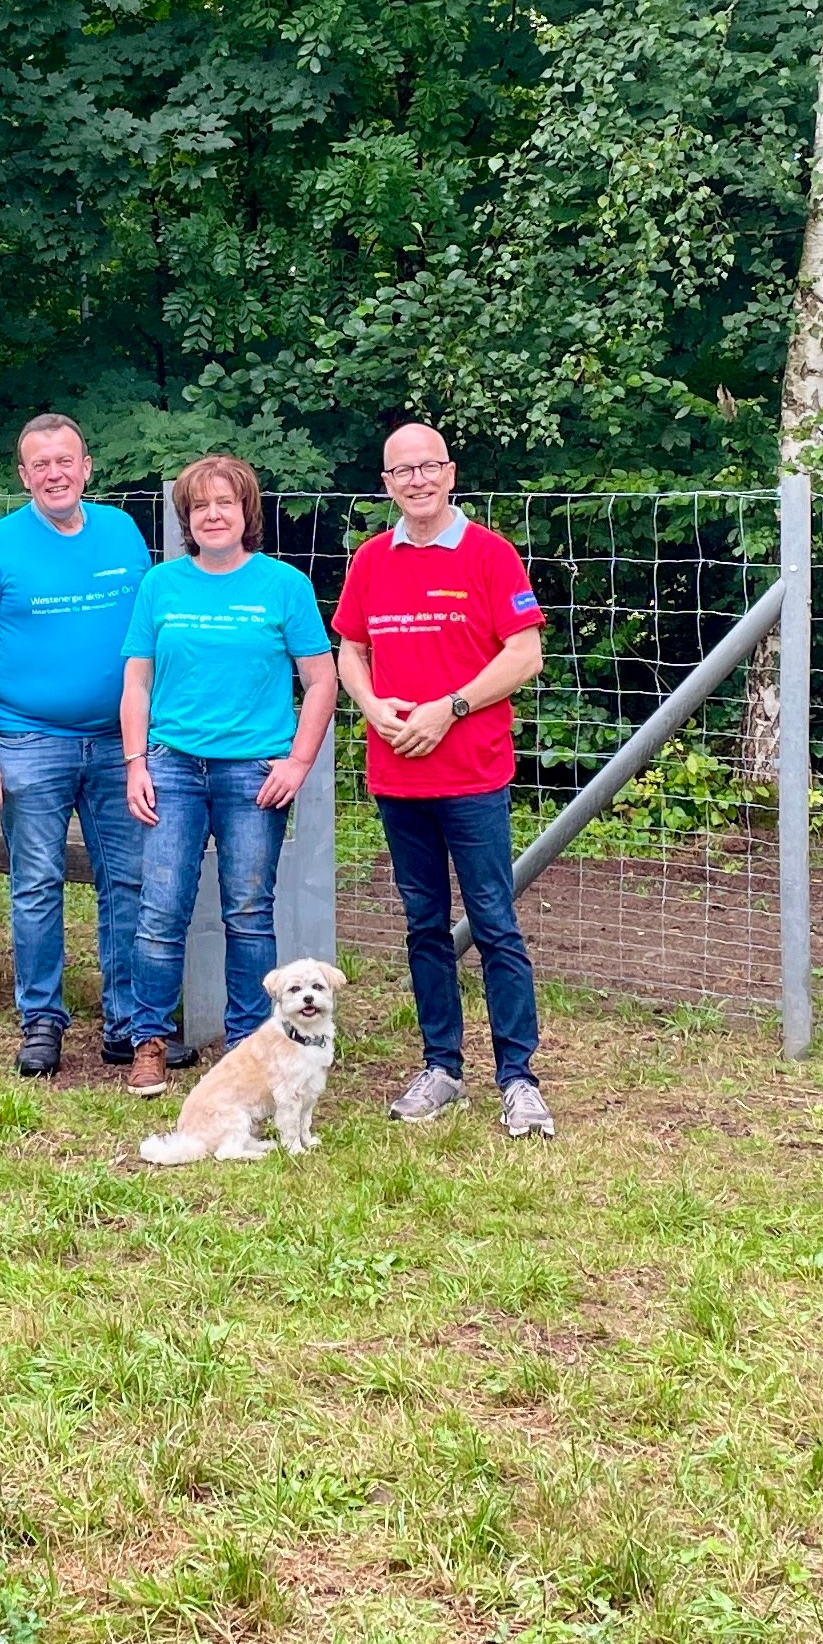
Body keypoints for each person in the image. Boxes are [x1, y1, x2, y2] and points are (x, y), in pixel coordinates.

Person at [331, 423, 555, 1137]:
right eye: (401, 470)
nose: (416, 480)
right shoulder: (371, 560)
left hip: (471, 773)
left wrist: (448, 708)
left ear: (449, 473)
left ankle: (518, 1078)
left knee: (494, 923)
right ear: (386, 482)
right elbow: (349, 651)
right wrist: (369, 706)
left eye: (427, 466)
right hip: (397, 774)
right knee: (423, 925)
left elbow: (524, 655)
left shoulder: (489, 554)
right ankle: (441, 1068)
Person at [119, 455, 337, 1097]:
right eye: (199, 506)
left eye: (226, 503)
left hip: (254, 773)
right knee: (160, 909)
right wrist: (135, 762)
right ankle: (150, 1041)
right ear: (187, 518)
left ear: (248, 514)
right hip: (172, 767)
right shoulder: (161, 585)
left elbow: (321, 679)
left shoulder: (283, 586)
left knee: (247, 911)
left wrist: (298, 760)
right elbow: (136, 681)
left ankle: (248, 1045)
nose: (213, 515)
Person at [0, 413, 153, 1078]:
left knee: (127, 882)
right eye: (41, 464)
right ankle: (41, 1019)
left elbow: (148, 640)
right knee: (36, 884)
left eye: (65, 460)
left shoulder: (123, 532)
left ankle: (129, 1022)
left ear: (87, 466)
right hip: (26, 741)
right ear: (23, 475)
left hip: (116, 742)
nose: (55, 473)